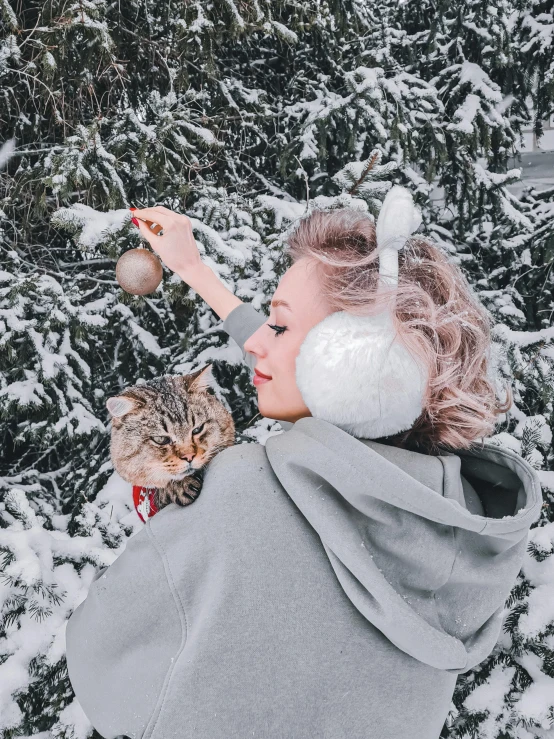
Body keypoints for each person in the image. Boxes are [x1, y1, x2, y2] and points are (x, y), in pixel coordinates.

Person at [65, 199, 543, 739]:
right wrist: (194, 270)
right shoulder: (462, 515)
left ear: (352, 359)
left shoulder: (245, 489)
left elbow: (102, 666)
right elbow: (304, 372)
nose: (256, 344)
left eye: (279, 325)